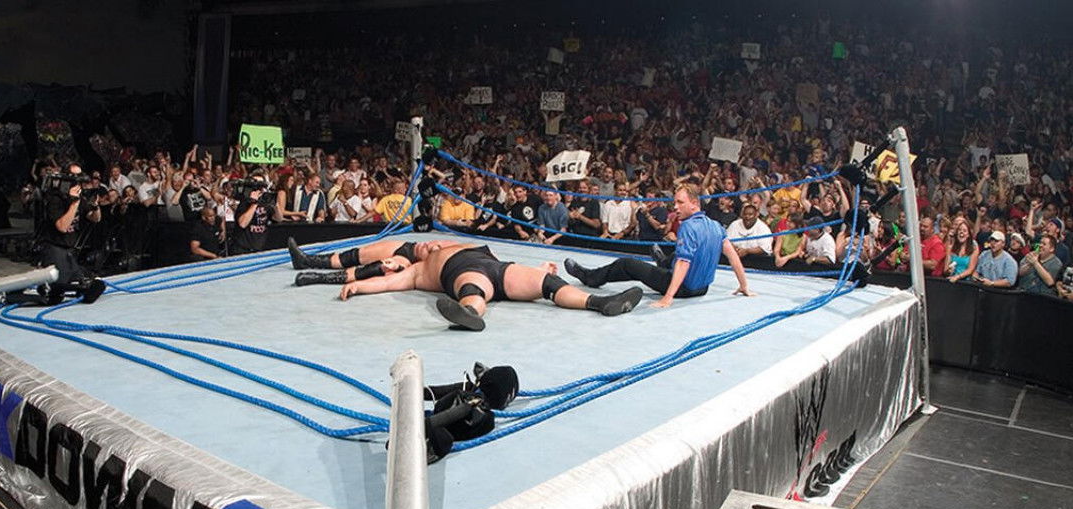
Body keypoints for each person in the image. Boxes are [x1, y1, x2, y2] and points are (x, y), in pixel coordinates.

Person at [337, 241, 644, 331]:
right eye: (415, 250)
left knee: (547, 282)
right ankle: (470, 314)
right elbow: (388, 282)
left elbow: (506, 264)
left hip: (499, 268)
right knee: (472, 289)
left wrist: (537, 270)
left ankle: (599, 302)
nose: (422, 247)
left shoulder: (451, 243)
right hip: (466, 273)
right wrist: (360, 287)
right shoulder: (416, 271)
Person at [565, 183, 753, 308]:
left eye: (680, 202)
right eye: (675, 202)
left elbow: (683, 263)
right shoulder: (716, 226)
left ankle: (589, 277)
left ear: (694, 203)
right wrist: (744, 285)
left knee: (626, 263)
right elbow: (733, 256)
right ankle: (662, 260)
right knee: (680, 253)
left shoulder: (688, 226)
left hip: (683, 288)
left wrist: (668, 297)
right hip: (703, 288)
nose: (675, 207)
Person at [289, 237, 445, 285]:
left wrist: (398, 267)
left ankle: (318, 278)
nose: (426, 245)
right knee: (355, 255)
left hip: (411, 261)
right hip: (408, 247)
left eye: (428, 249)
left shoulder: (432, 263)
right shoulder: (445, 245)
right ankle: (306, 260)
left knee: (377, 268)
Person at [42, 164, 103, 286]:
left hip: (70, 249)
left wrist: (95, 207)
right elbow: (62, 227)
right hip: (55, 248)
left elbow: (95, 218)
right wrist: (74, 204)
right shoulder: (56, 199)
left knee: (85, 280)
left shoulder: (81, 198)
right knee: (61, 284)